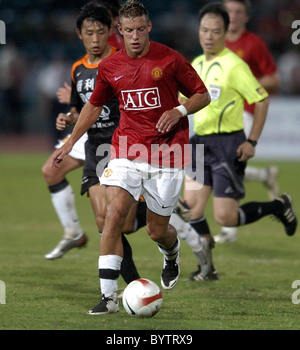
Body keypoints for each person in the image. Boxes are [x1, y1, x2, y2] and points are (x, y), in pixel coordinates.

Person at [50, 0, 210, 315]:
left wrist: (178, 110)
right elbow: (94, 105)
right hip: (127, 149)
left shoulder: (170, 58)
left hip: (167, 152)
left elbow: (201, 94)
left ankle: (172, 253)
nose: (135, 36)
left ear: (149, 27)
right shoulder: (110, 67)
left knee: (156, 231)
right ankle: (109, 297)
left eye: (140, 29)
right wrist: (71, 142)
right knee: (113, 215)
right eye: (129, 31)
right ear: (119, 31)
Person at [175, 3, 297, 281]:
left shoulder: (234, 65)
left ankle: (277, 206)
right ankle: (208, 268)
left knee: (225, 218)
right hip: (198, 146)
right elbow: (187, 101)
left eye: (215, 31)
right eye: (204, 30)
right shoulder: (195, 64)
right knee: (190, 209)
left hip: (227, 145)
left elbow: (262, 100)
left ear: (224, 32)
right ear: (199, 31)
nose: (208, 36)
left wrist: (252, 140)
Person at [43, 3, 143, 286]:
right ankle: (134, 286)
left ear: (111, 32)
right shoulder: (77, 69)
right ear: (80, 34)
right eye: (90, 33)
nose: (96, 39)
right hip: (95, 148)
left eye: (101, 33)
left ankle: (160, 210)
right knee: (104, 221)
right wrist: (68, 117)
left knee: (120, 222)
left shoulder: (123, 60)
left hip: (123, 146)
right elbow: (79, 109)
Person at [215, 0, 281, 243]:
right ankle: (264, 175)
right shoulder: (214, 41)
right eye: (228, 11)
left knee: (225, 163)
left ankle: (229, 228)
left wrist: (244, 84)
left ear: (246, 17)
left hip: (244, 112)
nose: (232, 16)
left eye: (238, 12)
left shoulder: (254, 44)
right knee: (221, 165)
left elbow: (274, 80)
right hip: (216, 114)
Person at [56, 0, 124, 106]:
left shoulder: (114, 52)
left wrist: (75, 100)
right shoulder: (120, 44)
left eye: (102, 15)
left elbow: (112, 100)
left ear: (115, 21)